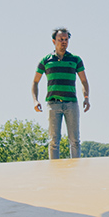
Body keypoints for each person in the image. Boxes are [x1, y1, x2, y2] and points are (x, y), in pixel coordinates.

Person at [32, 28, 90, 159]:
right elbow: (35, 82)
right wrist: (35, 100)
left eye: (66, 40)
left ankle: (75, 168)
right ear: (54, 41)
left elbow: (84, 81)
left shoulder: (75, 59)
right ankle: (54, 171)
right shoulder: (46, 61)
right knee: (54, 141)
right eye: (60, 40)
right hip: (53, 104)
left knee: (75, 140)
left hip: (71, 104)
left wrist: (86, 97)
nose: (64, 42)